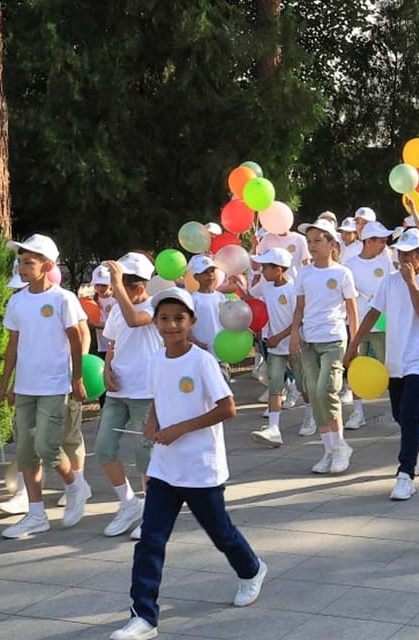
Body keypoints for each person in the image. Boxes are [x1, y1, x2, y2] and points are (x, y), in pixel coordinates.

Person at [110, 288, 266, 640]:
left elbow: (228, 407)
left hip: (201, 468)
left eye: (179, 318)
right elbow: (157, 400)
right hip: (165, 468)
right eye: (164, 318)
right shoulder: (156, 360)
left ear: (191, 321)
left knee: (221, 533)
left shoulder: (201, 361)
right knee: (150, 540)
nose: (171, 325)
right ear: (156, 322)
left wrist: (179, 428)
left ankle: (252, 569)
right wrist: (152, 424)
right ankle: (144, 617)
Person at [0, 234, 89, 539]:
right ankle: (36, 514)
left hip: (55, 385)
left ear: (46, 266)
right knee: (25, 451)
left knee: (48, 446)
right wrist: (3, 385)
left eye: (28, 262)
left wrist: (77, 378)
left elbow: (75, 338)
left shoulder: (63, 299)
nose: (21, 267)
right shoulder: (17, 300)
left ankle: (75, 487)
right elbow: (13, 345)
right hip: (25, 387)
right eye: (20, 261)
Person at [345, 228, 419, 500]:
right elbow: (373, 313)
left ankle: (405, 475)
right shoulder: (389, 281)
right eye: (400, 253)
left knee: (409, 414)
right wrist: (354, 345)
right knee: (400, 415)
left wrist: (412, 282)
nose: (402, 258)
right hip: (395, 357)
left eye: (409, 254)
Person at [98, 252, 162, 539]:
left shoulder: (156, 306)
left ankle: (153, 512)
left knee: (144, 452)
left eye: (125, 283)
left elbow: (135, 320)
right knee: (103, 447)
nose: (117, 288)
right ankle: (129, 503)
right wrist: (106, 368)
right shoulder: (115, 309)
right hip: (118, 391)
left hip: (145, 391)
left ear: (139, 285)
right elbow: (113, 341)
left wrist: (118, 286)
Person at [290, 219, 358, 474]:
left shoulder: (342, 273)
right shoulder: (305, 273)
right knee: (314, 393)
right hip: (309, 340)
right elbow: (299, 307)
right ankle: (329, 450)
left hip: (333, 339)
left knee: (326, 390)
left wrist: (354, 342)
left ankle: (340, 448)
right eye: (309, 241)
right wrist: (295, 333)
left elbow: (352, 311)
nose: (313, 245)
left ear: (332, 244)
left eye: (318, 240)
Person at [239, 248, 300, 448]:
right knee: (275, 386)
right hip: (273, 347)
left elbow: (298, 321)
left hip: (293, 345)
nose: (262, 270)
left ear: (279, 270)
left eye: (266, 267)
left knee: (304, 385)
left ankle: (310, 415)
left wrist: (280, 337)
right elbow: (252, 301)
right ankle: (274, 429)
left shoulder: (293, 289)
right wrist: (238, 287)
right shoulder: (266, 287)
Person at [342, 220, 395, 429]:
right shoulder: (350, 266)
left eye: (384, 241)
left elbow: (392, 287)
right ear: (368, 241)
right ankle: (357, 412)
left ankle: (394, 408)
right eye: (380, 241)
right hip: (358, 324)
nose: (383, 245)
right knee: (356, 367)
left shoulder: (385, 261)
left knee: (390, 366)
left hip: (383, 322)